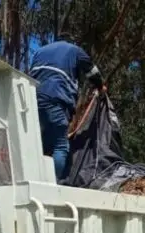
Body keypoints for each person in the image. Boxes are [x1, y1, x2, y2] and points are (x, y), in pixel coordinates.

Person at [29, 36, 104, 183]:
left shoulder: (39, 51)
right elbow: (91, 71)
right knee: (61, 145)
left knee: (43, 144)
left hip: (32, 99)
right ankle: (53, 184)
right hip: (56, 98)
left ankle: (37, 179)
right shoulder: (74, 50)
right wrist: (100, 86)